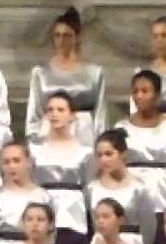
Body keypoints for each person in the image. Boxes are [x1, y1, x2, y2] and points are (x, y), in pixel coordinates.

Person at [28, 93, 94, 244]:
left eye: (61, 109)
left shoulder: (85, 151)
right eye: (51, 109)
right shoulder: (35, 148)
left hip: (73, 218)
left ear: (72, 114)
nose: (54, 114)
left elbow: (89, 187)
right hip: (43, 215)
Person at [25, 8, 107, 144]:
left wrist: (102, 142)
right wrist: (34, 141)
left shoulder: (94, 73)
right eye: (57, 35)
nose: (62, 40)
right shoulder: (40, 73)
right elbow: (34, 113)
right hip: (50, 131)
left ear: (77, 37)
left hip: (84, 132)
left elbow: (101, 114)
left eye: (67, 35)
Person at [86, 130, 158, 244]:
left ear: (123, 154)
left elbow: (149, 227)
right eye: (99, 155)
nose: (103, 160)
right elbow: (92, 224)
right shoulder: (92, 188)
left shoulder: (138, 188)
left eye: (109, 154)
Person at [118, 70, 166, 198]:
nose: (139, 96)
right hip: (129, 190)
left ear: (157, 95)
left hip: (161, 191)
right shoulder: (121, 127)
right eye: (135, 91)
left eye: (145, 91)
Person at [0, 142, 52, 244]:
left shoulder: (43, 196)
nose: (12, 166)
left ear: (28, 162)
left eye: (16, 161)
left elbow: (50, 234)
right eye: (6, 162)